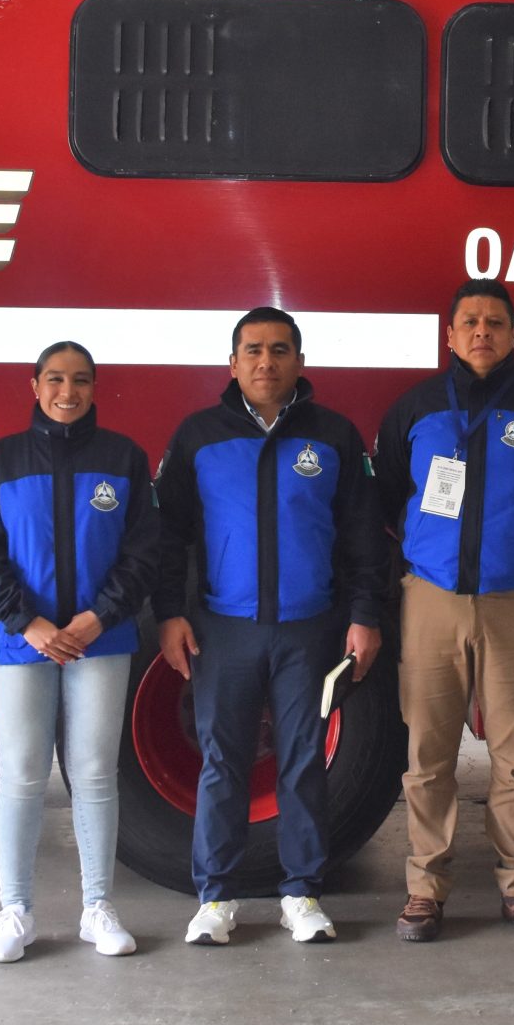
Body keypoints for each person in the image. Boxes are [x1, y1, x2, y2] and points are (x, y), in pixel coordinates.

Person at [153, 309, 386, 946]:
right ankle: (217, 898)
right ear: (232, 364)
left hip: (310, 628)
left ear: (299, 363)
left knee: (304, 761)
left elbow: (364, 536)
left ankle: (302, 892)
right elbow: (168, 534)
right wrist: (170, 613)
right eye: (252, 350)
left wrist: (365, 616)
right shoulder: (198, 436)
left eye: (279, 350)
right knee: (222, 762)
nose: (266, 362)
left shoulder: (334, 436)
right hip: (224, 629)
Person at [374, 279, 514, 941]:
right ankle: (425, 888)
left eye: (495, 321)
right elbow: (388, 492)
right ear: (449, 334)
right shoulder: (413, 407)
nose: (482, 331)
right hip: (431, 599)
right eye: (469, 320)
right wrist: (428, 552)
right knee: (428, 750)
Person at [0, 341, 163, 962]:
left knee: (95, 772)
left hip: (101, 639)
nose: (66, 392)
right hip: (22, 642)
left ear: (95, 388)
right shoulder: (2, 460)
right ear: (35, 385)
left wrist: (97, 617)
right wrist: (31, 623)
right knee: (21, 775)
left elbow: (143, 550)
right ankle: (15, 912)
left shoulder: (123, 458)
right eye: (54, 379)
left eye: (79, 380)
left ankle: (97, 907)